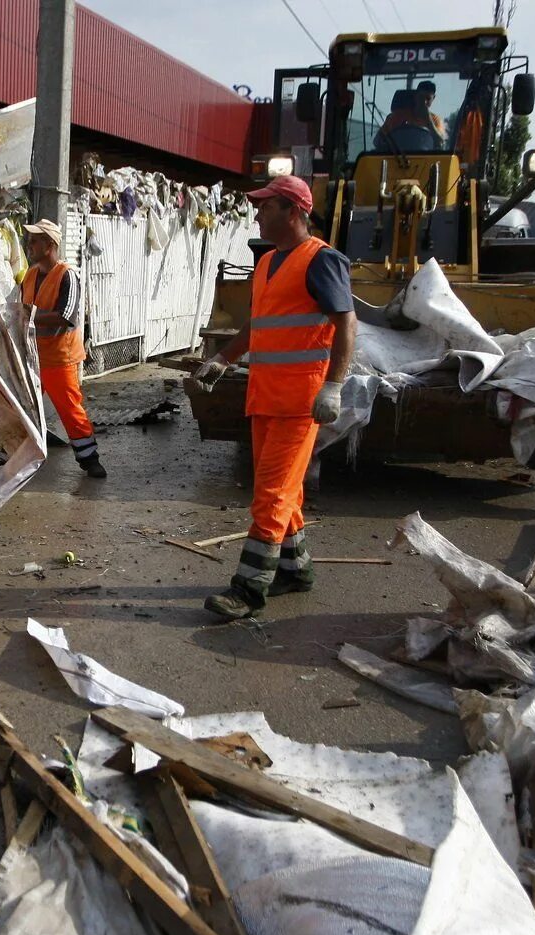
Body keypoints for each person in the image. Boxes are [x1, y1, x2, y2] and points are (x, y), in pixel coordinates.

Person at [191, 175, 357, 621]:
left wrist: (334, 385)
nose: (258, 213)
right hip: (264, 396)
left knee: (270, 494)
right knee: (286, 492)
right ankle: (295, 569)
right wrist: (224, 359)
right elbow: (259, 325)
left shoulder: (321, 260)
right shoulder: (266, 264)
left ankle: (248, 589)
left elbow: (346, 325)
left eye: (267, 206)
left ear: (294, 211)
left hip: (301, 402)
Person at [21, 219, 105, 478]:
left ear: (50, 244)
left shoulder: (66, 274)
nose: (30, 245)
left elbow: (66, 315)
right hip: (33, 355)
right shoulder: (30, 274)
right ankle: (15, 456)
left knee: (70, 409)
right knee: (24, 407)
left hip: (60, 358)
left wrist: (30, 316)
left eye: (35, 240)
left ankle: (89, 458)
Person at [376, 80, 447, 149]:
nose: (424, 102)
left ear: (433, 98)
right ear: (415, 96)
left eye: (428, 98)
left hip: (426, 159)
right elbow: (377, 141)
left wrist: (428, 121)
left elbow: (440, 143)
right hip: (397, 158)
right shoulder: (396, 116)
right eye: (421, 98)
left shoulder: (436, 120)